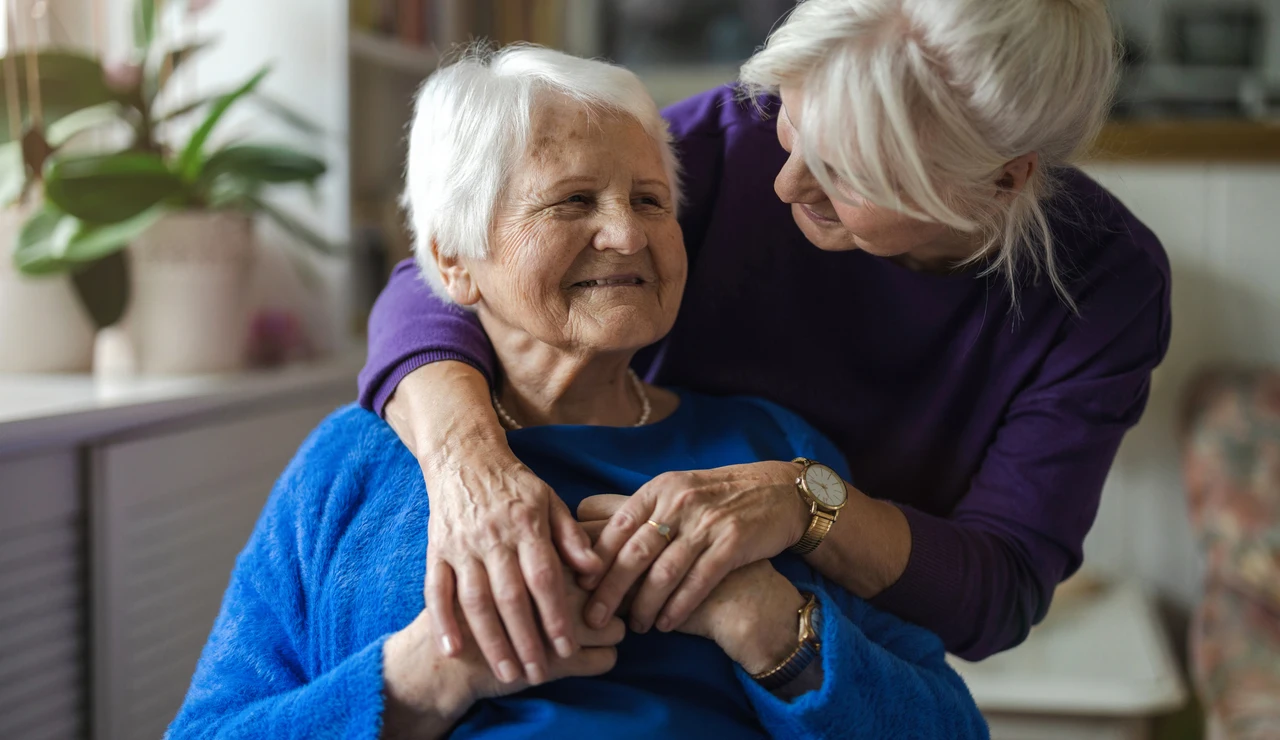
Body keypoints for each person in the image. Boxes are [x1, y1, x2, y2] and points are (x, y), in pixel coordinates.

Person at [166, 46, 987, 739]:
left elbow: (950, 725)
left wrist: (765, 620)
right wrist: (429, 675)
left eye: (649, 201)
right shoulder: (353, 461)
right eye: (572, 201)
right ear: (452, 257)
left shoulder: (771, 454)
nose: (627, 234)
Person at [358, 0, 1172, 684]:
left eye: (849, 172)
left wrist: (805, 506)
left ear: (1004, 178)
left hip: (832, 644)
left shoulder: (1105, 283)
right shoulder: (730, 142)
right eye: (792, 122)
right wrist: (473, 468)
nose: (785, 184)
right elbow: (442, 274)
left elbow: (1001, 589)